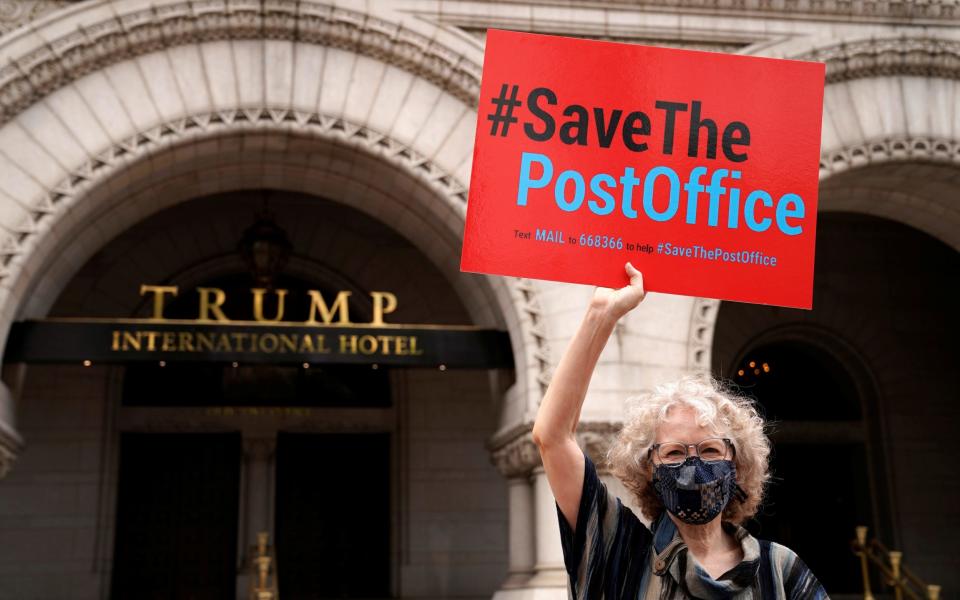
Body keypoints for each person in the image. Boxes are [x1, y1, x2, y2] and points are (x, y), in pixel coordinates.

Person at [531, 262, 827, 599]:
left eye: (710, 450)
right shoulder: (618, 549)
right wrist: (602, 314)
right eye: (674, 452)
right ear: (648, 469)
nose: (694, 465)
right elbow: (552, 437)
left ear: (737, 462)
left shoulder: (779, 571)